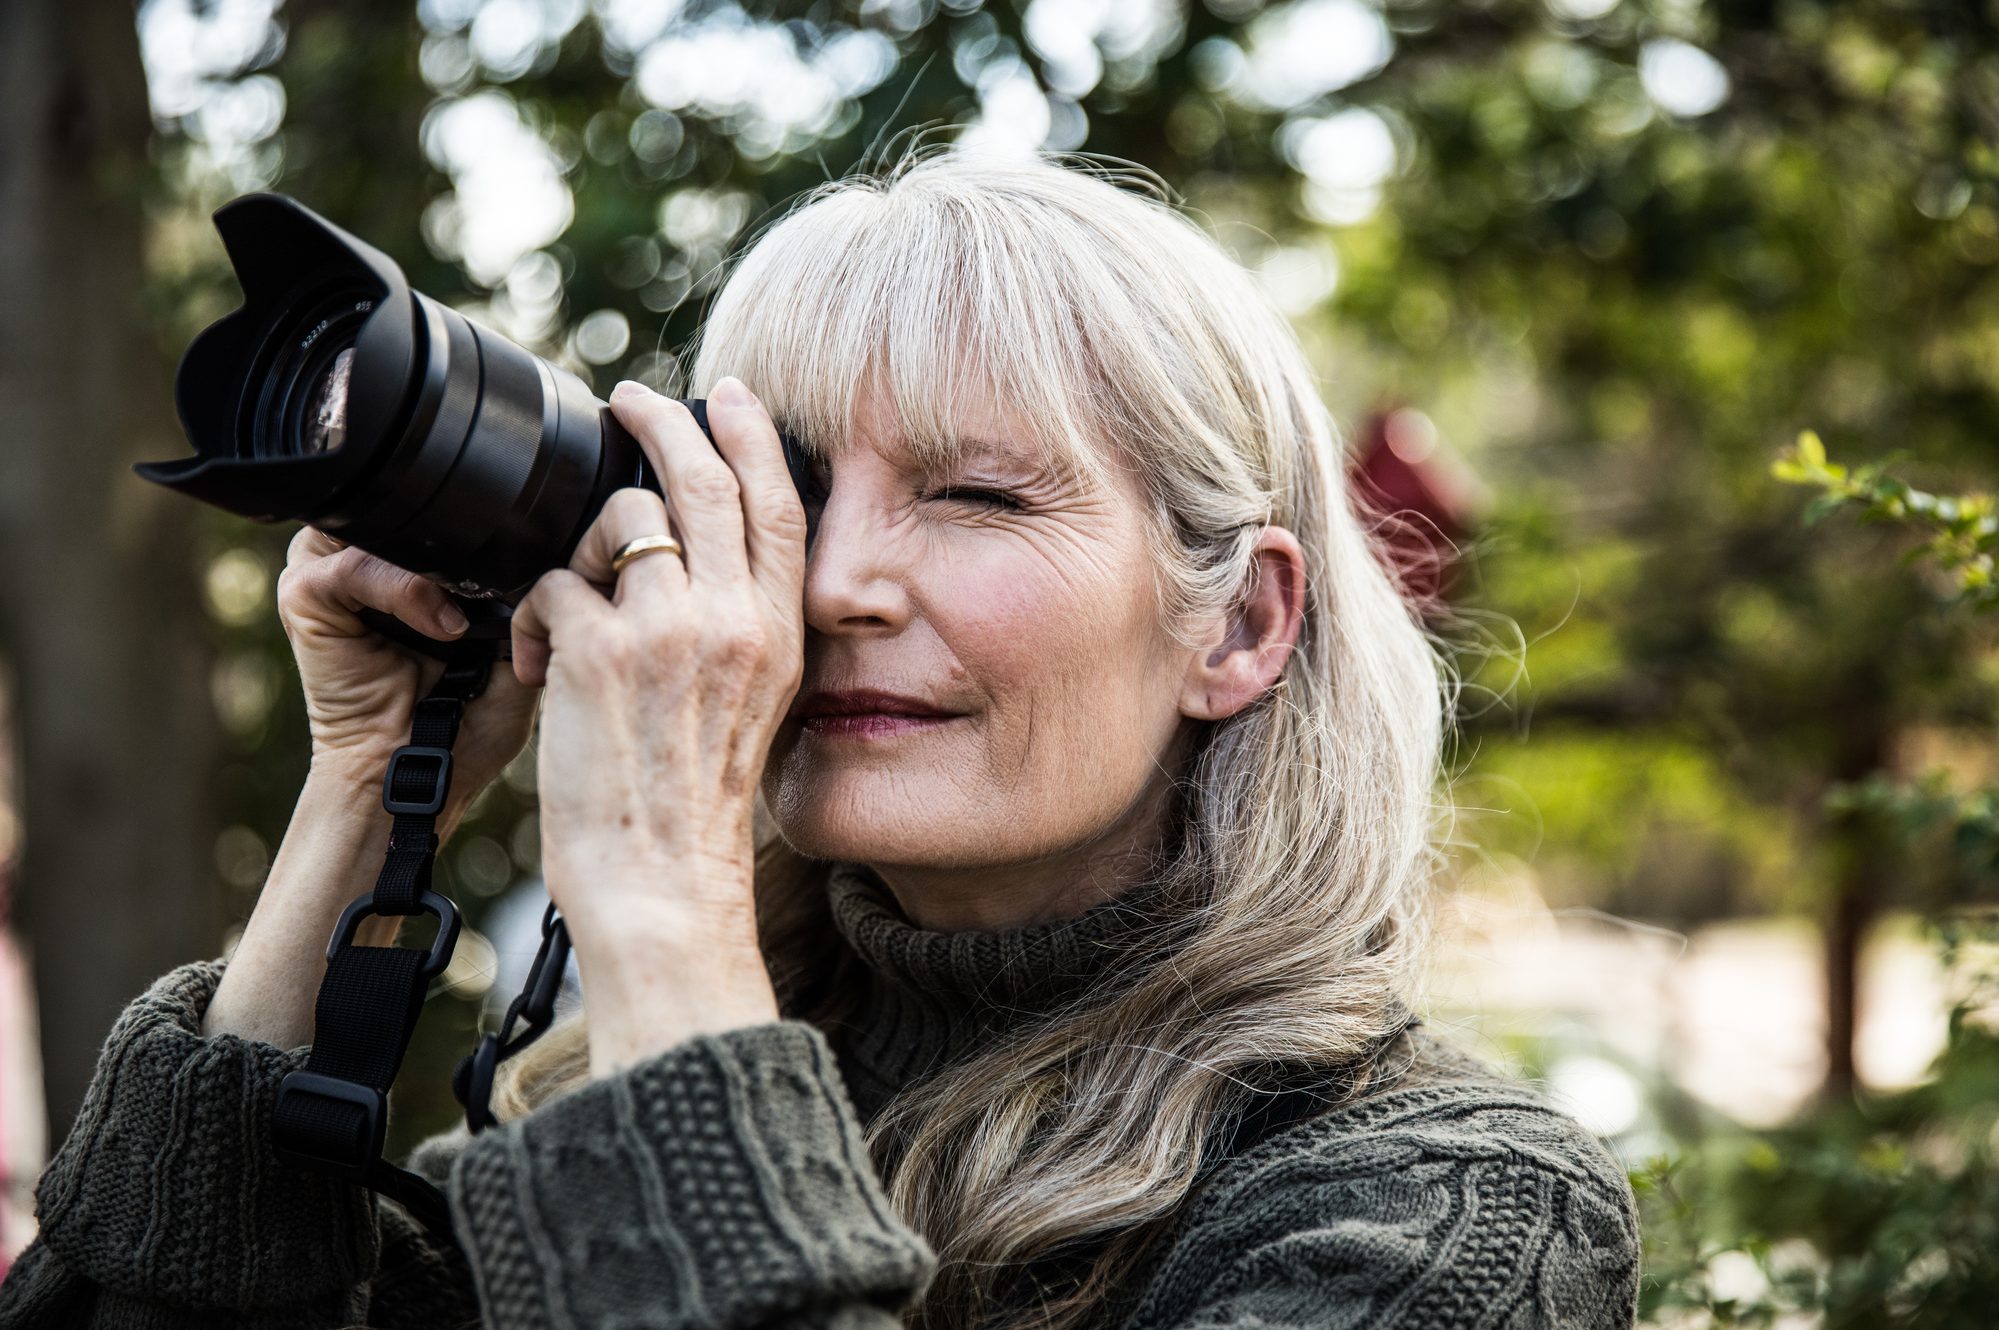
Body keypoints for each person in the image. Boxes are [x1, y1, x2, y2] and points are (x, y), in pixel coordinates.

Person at [0, 148, 1640, 1329]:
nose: (837, 581)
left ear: (1241, 624)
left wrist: (662, 895)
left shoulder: (1438, 1209)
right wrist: (365, 790)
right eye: (787, 490)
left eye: (977, 492)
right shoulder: (587, 1107)